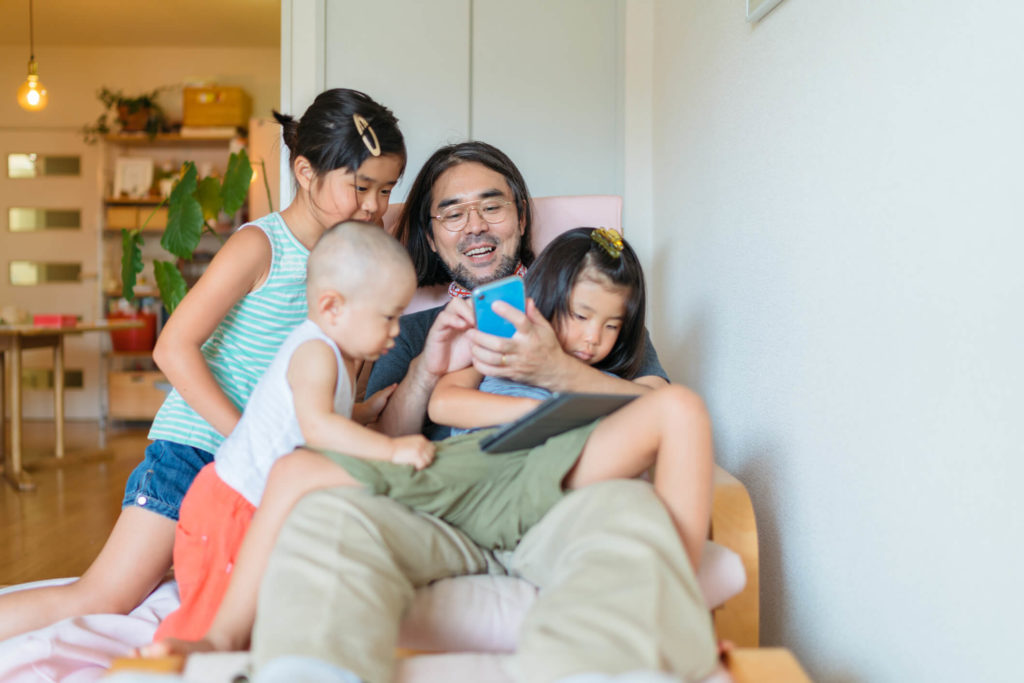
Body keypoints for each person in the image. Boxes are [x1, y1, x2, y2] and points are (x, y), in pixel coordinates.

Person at [249, 141, 719, 683]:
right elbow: (383, 435)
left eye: (491, 206)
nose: (474, 224)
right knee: (329, 517)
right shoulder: (400, 325)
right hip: (440, 503)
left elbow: (663, 407)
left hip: (569, 499)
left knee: (632, 524)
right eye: (452, 212)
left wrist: (559, 372)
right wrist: (427, 368)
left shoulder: (584, 312)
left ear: (521, 216)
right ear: (430, 234)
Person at [0, 88, 406, 641]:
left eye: (387, 190)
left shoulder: (350, 263)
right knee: (104, 596)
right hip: (196, 451)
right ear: (304, 171)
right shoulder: (262, 247)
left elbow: (296, 388)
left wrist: (360, 409)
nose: (376, 206)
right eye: (361, 187)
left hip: (251, 469)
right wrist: (246, 439)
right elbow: (171, 347)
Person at [145, 222, 429, 652]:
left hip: (259, 503)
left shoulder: (332, 354)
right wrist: (391, 449)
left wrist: (364, 411)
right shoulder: (315, 352)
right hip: (232, 505)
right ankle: (164, 659)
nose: (395, 330)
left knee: (258, 609)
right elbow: (316, 426)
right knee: (214, 619)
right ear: (332, 306)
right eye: (388, 317)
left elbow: (302, 416)